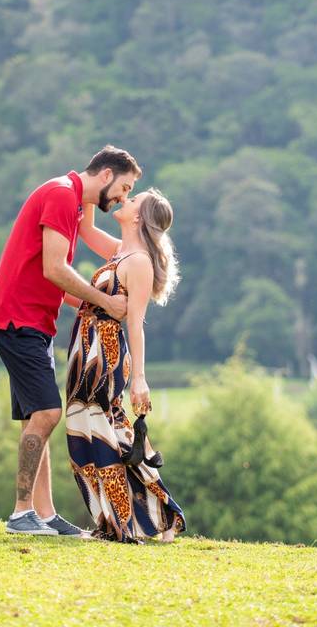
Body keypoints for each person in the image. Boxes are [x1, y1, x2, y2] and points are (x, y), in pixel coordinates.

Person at [0, 146, 141, 536]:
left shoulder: (70, 201)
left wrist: (91, 308)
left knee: (36, 416)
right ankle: (22, 514)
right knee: (48, 414)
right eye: (123, 188)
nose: (122, 197)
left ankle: (45, 515)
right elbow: (55, 268)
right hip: (17, 320)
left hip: (33, 322)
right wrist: (103, 300)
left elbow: (51, 273)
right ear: (105, 175)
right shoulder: (59, 195)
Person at [64, 188, 186, 543]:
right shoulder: (120, 251)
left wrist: (140, 380)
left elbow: (136, 324)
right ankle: (114, 521)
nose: (125, 199)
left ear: (138, 217)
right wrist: (89, 188)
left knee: (108, 434)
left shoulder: (139, 262)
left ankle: (140, 519)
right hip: (83, 349)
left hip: (106, 353)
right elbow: (84, 229)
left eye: (133, 199)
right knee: (83, 431)